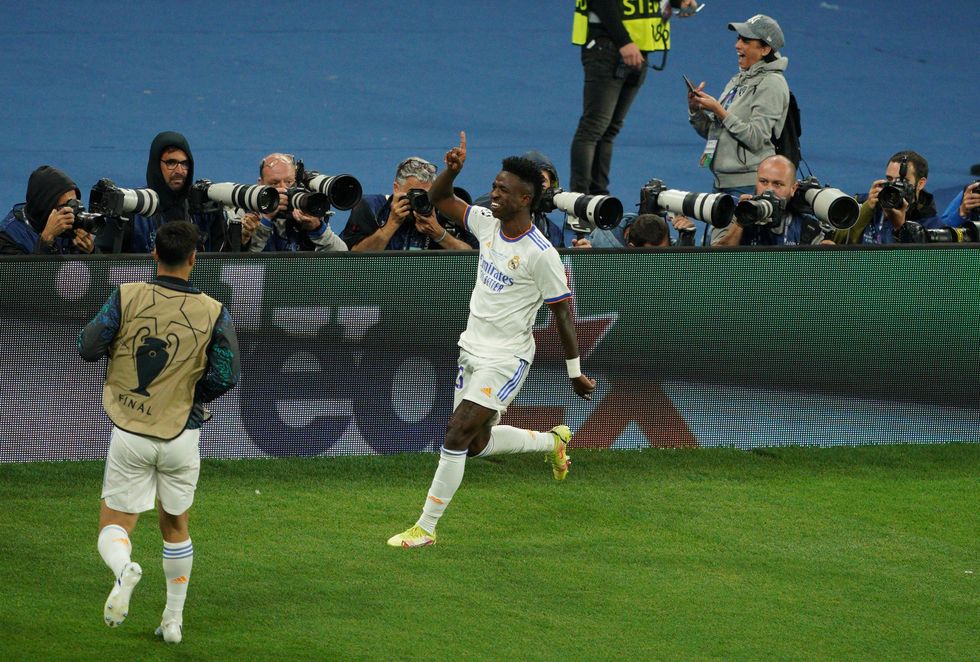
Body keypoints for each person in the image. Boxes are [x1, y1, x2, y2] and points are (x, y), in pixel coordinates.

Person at [387, 133, 596, 548]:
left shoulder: (541, 255)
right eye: (494, 187)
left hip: (506, 358)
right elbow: (441, 199)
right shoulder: (486, 223)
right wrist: (451, 170)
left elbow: (563, 314)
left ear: (524, 199)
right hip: (472, 349)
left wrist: (575, 372)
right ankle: (552, 440)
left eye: (503, 190)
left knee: (456, 434)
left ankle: (425, 528)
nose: (493, 194)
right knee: (477, 444)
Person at [77, 221, 240, 644]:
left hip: (130, 429)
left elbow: (88, 345)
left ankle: (123, 569)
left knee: (116, 523)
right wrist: (187, 394)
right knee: (176, 526)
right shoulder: (214, 309)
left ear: (154, 255)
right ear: (193, 257)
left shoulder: (127, 295)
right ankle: (172, 621)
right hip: (182, 436)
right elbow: (227, 375)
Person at [570, 0, 699, 195]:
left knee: (610, 129)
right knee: (593, 128)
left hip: (638, 52)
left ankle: (598, 198)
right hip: (609, 48)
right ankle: (578, 201)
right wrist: (624, 41)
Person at [688, 14, 790, 245]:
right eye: (738, 39)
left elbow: (756, 137)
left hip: (746, 185)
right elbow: (715, 132)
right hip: (723, 183)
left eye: (745, 40)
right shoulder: (738, 80)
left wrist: (721, 111)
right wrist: (696, 110)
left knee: (728, 257)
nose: (737, 45)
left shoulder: (772, 84)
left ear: (765, 49)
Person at [96, 131, 227, 253]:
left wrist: (240, 240)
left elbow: (224, 261)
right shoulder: (132, 207)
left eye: (185, 163)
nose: (180, 171)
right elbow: (103, 261)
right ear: (155, 165)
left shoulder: (205, 209)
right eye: (171, 162)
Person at [341, 156, 477, 251]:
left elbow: (477, 258)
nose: (418, 201)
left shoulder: (445, 213)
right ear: (396, 188)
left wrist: (439, 234)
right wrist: (390, 225)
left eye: (426, 195)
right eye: (412, 194)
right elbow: (352, 260)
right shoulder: (371, 208)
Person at [235, 153, 347, 252]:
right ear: (260, 183)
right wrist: (265, 221)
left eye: (289, 182)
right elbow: (239, 264)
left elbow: (342, 255)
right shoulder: (246, 210)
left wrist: (317, 229)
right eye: (274, 183)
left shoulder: (305, 207)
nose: (283, 188)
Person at [833, 150, 942, 244]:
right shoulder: (865, 202)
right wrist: (867, 209)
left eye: (902, 181)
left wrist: (901, 228)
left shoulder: (932, 227)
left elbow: (918, 266)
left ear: (921, 184)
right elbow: (836, 240)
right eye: (889, 179)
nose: (894, 187)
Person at [715, 155, 825, 246]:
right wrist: (741, 221)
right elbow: (716, 261)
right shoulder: (731, 212)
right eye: (763, 182)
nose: (769, 189)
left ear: (793, 189)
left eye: (778, 184)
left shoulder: (806, 226)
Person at [475, 150, 567, 247]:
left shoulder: (552, 232)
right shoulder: (484, 213)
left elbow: (559, 262)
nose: (536, 188)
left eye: (542, 182)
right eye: (531, 182)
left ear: (552, 188)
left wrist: (578, 255)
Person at [0, 165, 96, 255]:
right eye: (64, 206)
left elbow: (103, 271)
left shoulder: (72, 228)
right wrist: (46, 241)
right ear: (44, 207)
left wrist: (92, 252)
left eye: (74, 203)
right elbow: (20, 273)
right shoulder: (9, 236)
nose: (71, 211)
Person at [572, 212, 696, 248]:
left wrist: (686, 238)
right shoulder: (598, 250)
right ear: (632, 248)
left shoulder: (650, 239)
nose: (661, 259)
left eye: (665, 250)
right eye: (653, 255)